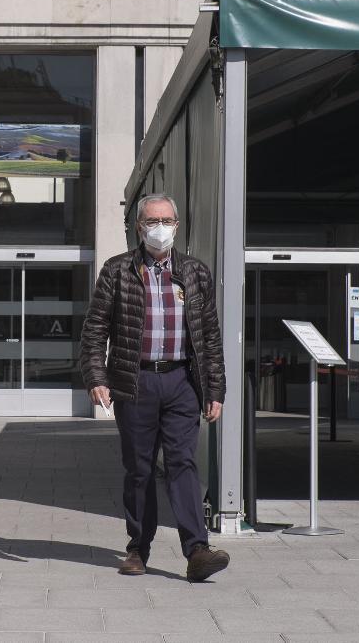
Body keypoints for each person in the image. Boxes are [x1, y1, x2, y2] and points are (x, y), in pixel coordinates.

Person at [79, 193, 230, 582]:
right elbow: (94, 331)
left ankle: (197, 549)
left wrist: (215, 389)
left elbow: (210, 336)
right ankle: (137, 549)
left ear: (177, 226)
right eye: (151, 221)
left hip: (182, 381)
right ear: (138, 226)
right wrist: (97, 377)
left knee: (183, 462)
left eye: (166, 221)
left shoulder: (196, 272)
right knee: (140, 469)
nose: (159, 228)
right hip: (135, 381)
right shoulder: (117, 271)